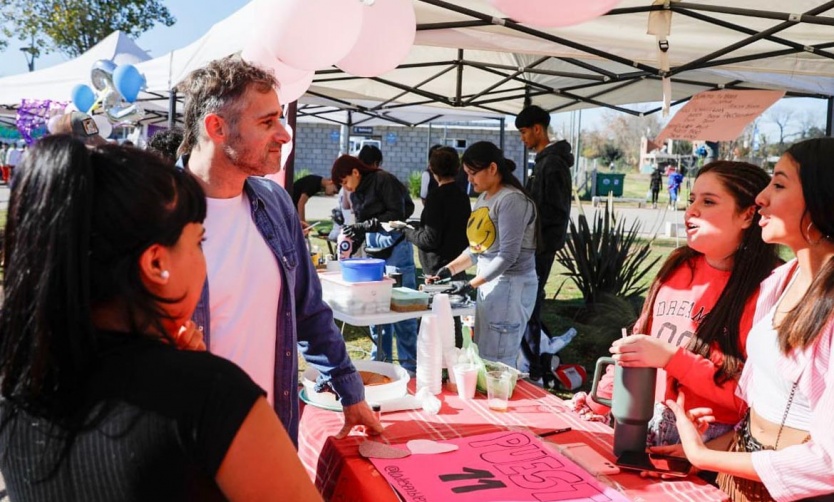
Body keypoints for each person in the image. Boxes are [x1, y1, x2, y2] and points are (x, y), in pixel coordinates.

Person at [0, 136, 321, 501]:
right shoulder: (211, 398)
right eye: (198, 241)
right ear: (156, 264)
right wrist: (192, 377)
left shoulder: (20, 385)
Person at [178, 55, 380, 444]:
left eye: (281, 118)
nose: (285, 134)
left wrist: (349, 391)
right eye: (267, 122)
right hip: (191, 446)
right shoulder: (153, 212)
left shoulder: (275, 203)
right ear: (217, 127)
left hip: (271, 433)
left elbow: (308, 310)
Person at [661, 138, 834, 501]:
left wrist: (704, 454)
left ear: (822, 199)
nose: (761, 198)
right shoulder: (779, 282)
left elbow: (828, 461)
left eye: (780, 184)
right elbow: (764, 406)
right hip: (742, 478)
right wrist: (721, 447)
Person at [598, 161, 780, 448]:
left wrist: (672, 358)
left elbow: (754, 397)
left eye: (708, 202)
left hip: (711, 441)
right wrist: (601, 400)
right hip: (638, 417)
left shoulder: (771, 287)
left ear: (747, 214)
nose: (691, 210)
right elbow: (636, 343)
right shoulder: (678, 266)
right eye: (691, 199)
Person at [429, 141, 538, 367]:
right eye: (466, 173)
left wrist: (470, 284)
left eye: (472, 173)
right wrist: (449, 270)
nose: (469, 179)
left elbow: (507, 256)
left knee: (497, 361)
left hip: (509, 287)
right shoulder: (484, 198)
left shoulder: (512, 200)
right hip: (491, 285)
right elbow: (478, 249)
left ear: (492, 168)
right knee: (483, 356)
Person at [331, 154, 418, 372]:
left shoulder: (383, 180)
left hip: (396, 245)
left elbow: (397, 213)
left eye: (345, 182)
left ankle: (410, 367)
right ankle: (380, 363)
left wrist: (366, 226)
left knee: (403, 308)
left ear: (356, 172)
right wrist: (352, 240)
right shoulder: (357, 193)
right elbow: (362, 224)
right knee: (376, 308)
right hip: (374, 249)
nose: (346, 188)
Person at [515, 105, 574, 382]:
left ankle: (535, 370)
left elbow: (556, 211)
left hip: (541, 247)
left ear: (538, 129)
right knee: (528, 306)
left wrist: (537, 238)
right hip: (534, 245)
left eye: (524, 132)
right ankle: (533, 363)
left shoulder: (553, 164)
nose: (522, 139)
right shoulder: (543, 162)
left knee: (530, 307)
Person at [395, 146, 471, 346]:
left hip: (438, 270)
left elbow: (430, 239)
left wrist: (407, 231)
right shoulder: (462, 196)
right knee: (452, 319)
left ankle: (438, 366)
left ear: (431, 169)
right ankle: (452, 362)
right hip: (458, 263)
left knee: (432, 322)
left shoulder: (437, 198)